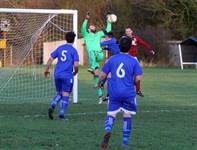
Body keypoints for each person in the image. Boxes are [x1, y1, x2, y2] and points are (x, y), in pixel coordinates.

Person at [97, 36, 142, 148]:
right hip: (128, 93)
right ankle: (125, 142)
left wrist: (99, 83)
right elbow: (138, 79)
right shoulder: (134, 60)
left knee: (111, 114)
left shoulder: (112, 59)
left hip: (114, 92)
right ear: (130, 47)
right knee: (127, 116)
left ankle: (108, 130)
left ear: (119, 46)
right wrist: (134, 85)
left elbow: (103, 75)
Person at [44, 31, 79, 119]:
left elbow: (50, 59)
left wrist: (46, 70)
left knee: (60, 92)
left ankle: (53, 104)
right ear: (74, 40)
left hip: (57, 74)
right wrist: (75, 72)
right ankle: (62, 113)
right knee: (66, 93)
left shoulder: (60, 48)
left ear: (65, 39)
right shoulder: (73, 50)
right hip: (67, 75)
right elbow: (76, 65)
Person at [81, 12, 112, 103]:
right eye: (91, 26)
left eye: (93, 26)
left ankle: (93, 68)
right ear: (89, 30)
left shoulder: (98, 34)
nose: (93, 26)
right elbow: (83, 28)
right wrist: (86, 19)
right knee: (95, 78)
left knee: (91, 51)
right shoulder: (86, 35)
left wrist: (109, 20)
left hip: (99, 54)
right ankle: (100, 95)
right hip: (93, 60)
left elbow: (108, 30)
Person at [125, 27, 155, 97]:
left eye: (129, 31)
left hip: (134, 58)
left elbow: (143, 43)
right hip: (126, 58)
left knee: (138, 74)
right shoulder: (124, 39)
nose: (128, 32)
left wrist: (150, 49)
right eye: (126, 31)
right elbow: (118, 45)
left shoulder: (136, 38)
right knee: (126, 74)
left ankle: (138, 90)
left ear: (131, 31)